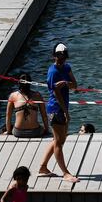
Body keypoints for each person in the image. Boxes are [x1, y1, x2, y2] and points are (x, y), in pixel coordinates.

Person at [39, 44, 79, 183]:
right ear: (54, 56)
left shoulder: (67, 67)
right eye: (58, 57)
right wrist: (66, 112)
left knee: (59, 139)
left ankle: (43, 167)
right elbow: (56, 95)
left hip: (63, 108)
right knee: (59, 143)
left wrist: (66, 83)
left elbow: (75, 85)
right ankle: (65, 173)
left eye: (63, 57)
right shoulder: (52, 72)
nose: (61, 60)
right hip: (56, 109)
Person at [5, 72, 49, 138]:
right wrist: (46, 130)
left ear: (18, 82)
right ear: (30, 83)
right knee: (43, 128)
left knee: (6, 128)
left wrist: (8, 131)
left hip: (18, 132)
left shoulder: (13, 96)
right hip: (35, 132)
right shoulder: (37, 95)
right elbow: (44, 116)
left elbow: (8, 115)